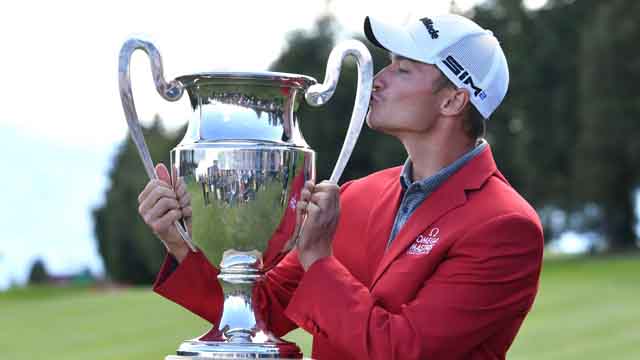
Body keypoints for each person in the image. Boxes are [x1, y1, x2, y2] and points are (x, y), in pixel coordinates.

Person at [138, 13, 544, 360]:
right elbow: (258, 310)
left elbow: (404, 350)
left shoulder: (504, 226)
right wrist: (178, 242)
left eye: (403, 69)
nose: (378, 80)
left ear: (453, 101)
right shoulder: (357, 196)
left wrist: (318, 257)